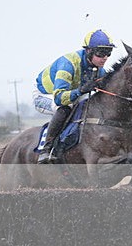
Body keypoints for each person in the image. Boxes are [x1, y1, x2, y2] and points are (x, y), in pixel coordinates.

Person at [33, 29, 115, 163]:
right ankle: (47, 148)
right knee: (65, 109)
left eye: (108, 53)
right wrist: (81, 90)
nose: (105, 57)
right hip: (46, 95)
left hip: (70, 93)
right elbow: (59, 98)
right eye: (101, 53)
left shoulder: (100, 70)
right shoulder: (68, 64)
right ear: (89, 51)